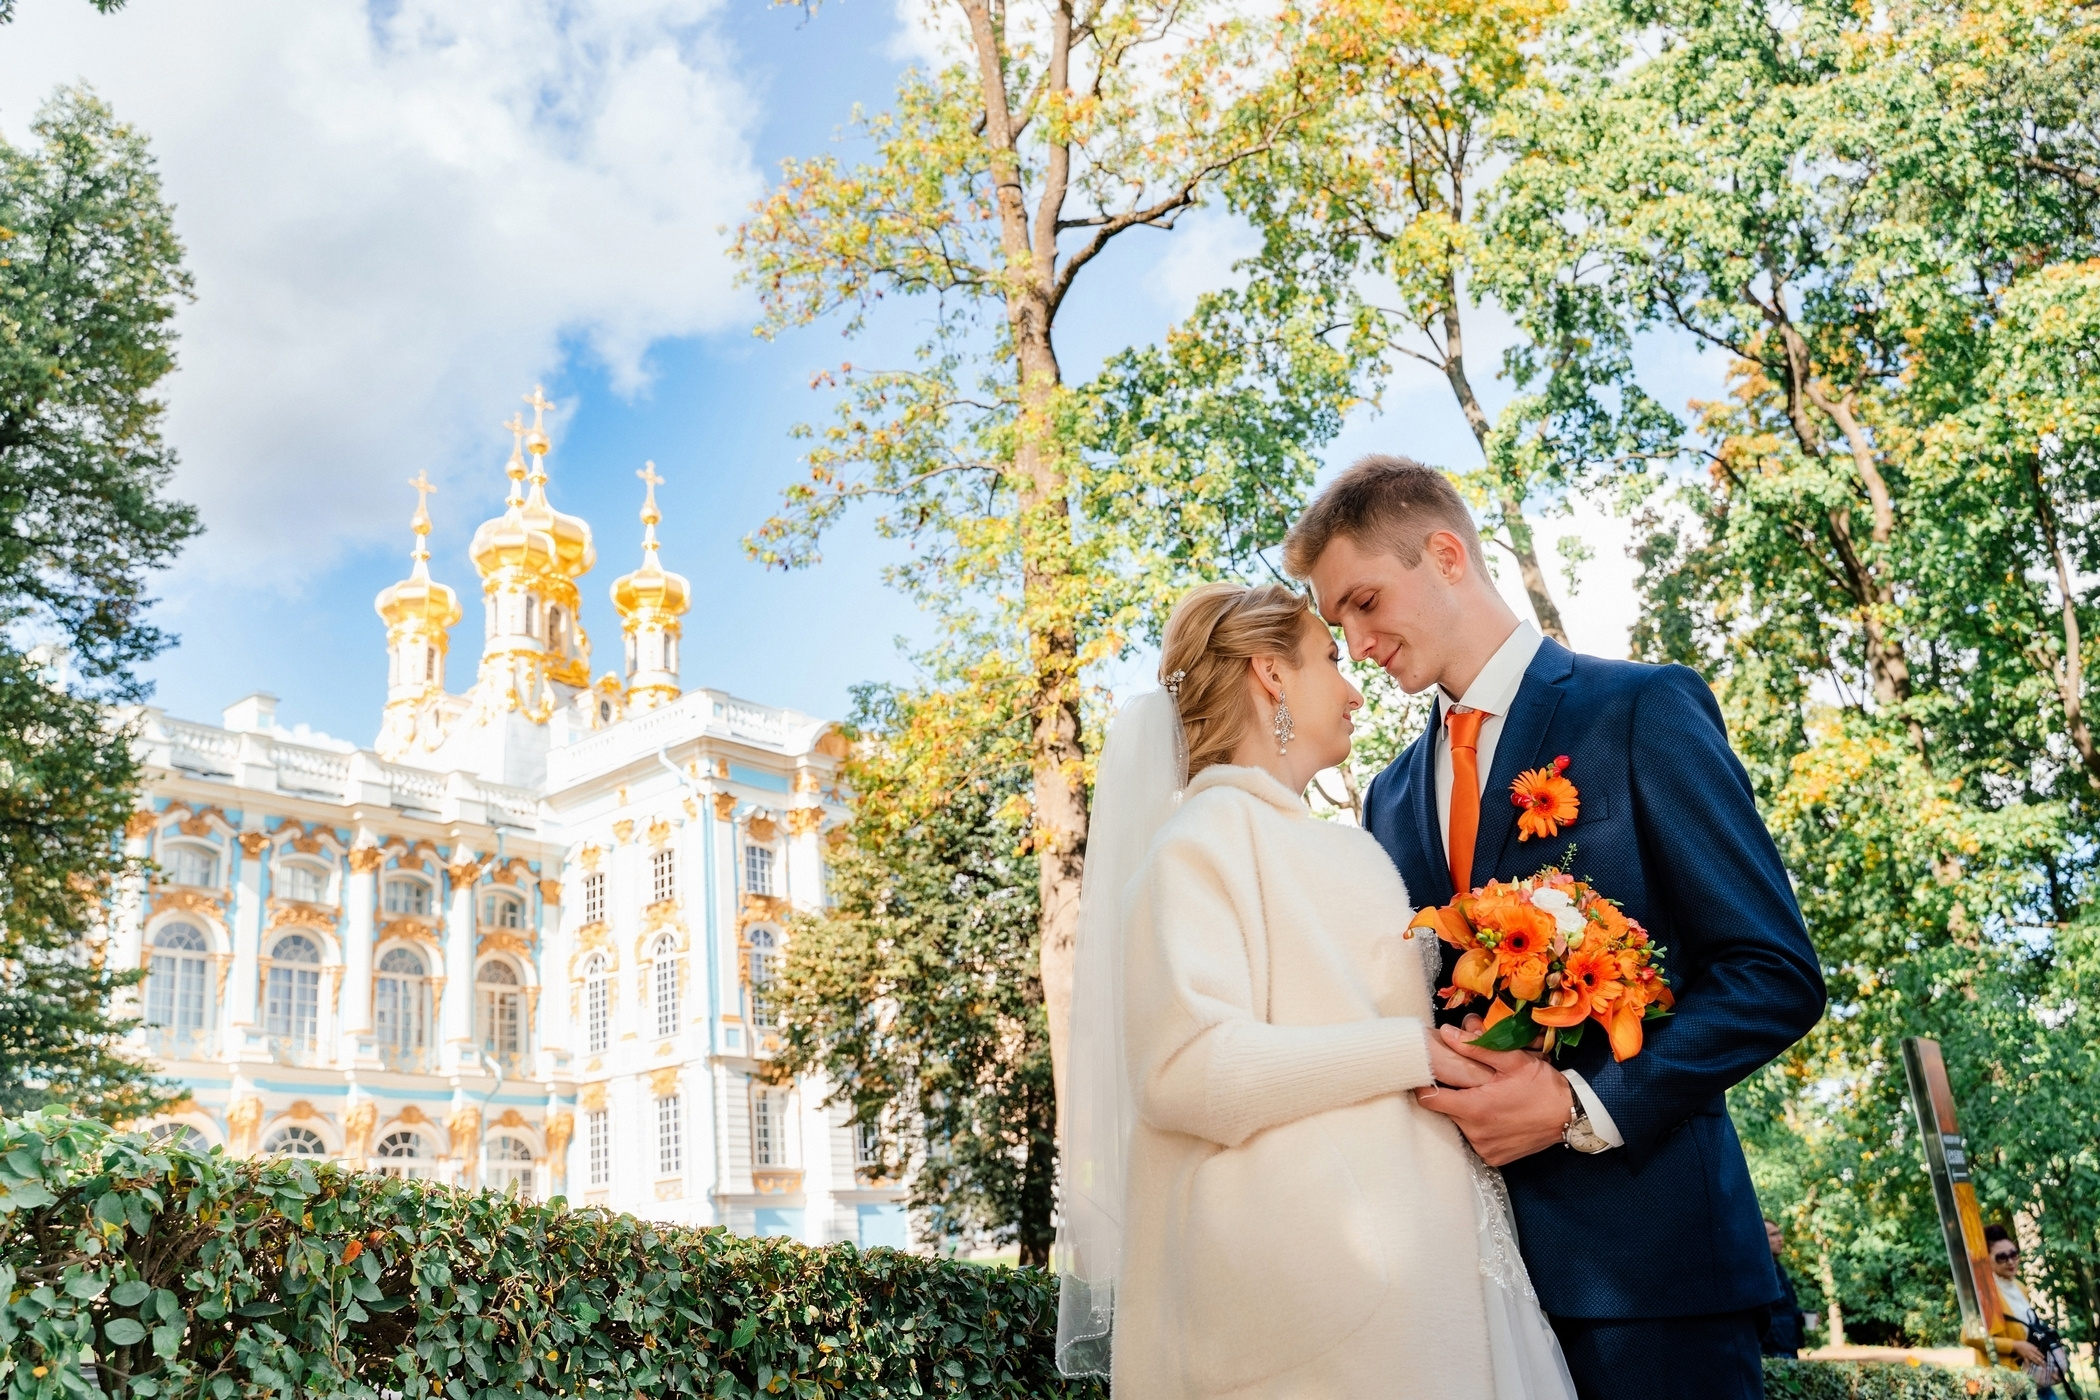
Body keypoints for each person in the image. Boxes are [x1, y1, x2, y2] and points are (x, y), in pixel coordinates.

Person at [1283, 455, 1828, 1400]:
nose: (1359, 642)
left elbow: (1771, 972)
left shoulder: (1640, 709)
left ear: (1445, 553)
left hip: (1653, 1283)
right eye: (1340, 625)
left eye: (1366, 602)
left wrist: (1582, 1107)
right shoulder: (1389, 796)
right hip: (1463, 1298)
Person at [1054, 580, 1578, 1398]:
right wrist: (1416, 1052)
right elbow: (1185, 1071)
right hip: (1319, 1309)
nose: (1354, 684)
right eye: (1330, 658)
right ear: (1270, 674)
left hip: (1436, 1275)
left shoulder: (1341, 844)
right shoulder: (1199, 843)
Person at [1986, 1224, 2067, 1397]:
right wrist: (2015, 1346)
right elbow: (1969, 1335)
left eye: (2014, 1254)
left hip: (2033, 1377)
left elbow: (2029, 1331)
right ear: (1987, 1260)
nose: (2010, 1261)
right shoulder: (1987, 1294)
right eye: (2001, 1257)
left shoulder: (2019, 1287)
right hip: (2010, 1381)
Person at [1760, 1219, 1807, 1357]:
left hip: (1787, 1344)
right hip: (1774, 1349)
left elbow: (1784, 1307)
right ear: (1761, 1238)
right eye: (1774, 1234)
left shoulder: (1777, 1267)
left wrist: (1801, 1315)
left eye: (1779, 1233)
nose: (1780, 1239)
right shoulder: (1761, 1271)